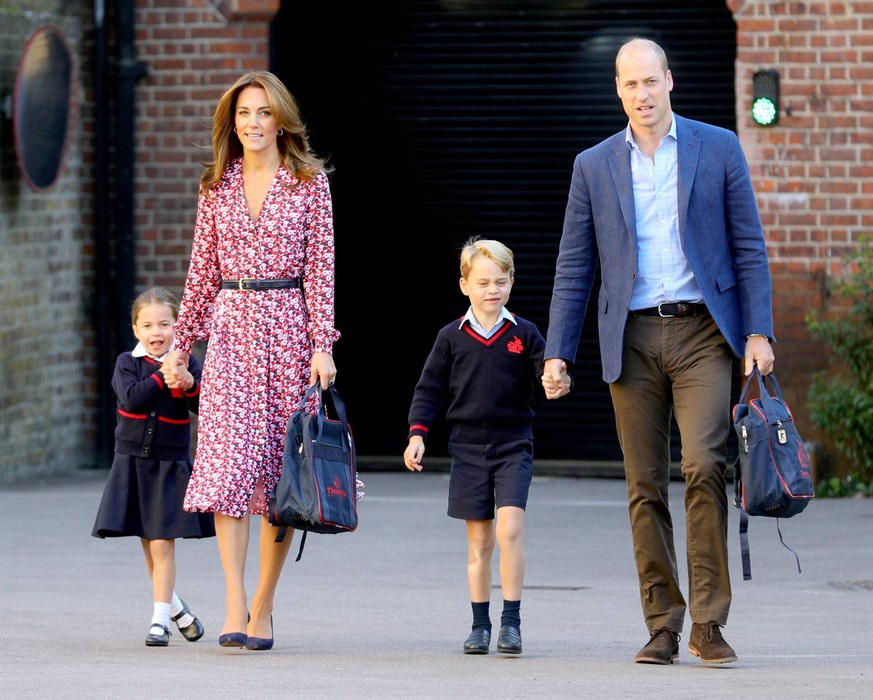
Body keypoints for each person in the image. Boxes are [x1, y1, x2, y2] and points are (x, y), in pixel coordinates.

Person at [542, 37, 776, 665]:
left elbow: (748, 246)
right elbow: (574, 265)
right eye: (629, 85)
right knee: (644, 484)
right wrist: (557, 352)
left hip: (704, 333)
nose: (641, 95)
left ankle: (709, 622)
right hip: (633, 338)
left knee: (703, 466)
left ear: (670, 81)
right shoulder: (592, 166)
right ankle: (663, 622)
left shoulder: (718, 147)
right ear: (617, 90)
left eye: (650, 82)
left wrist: (759, 332)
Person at [164, 71, 340, 652]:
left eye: (264, 113)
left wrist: (322, 344)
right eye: (244, 114)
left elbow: (321, 272)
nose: (253, 123)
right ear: (232, 122)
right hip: (232, 333)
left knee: (279, 478)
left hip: (289, 331)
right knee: (226, 469)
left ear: (281, 119)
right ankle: (234, 602)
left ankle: (264, 601)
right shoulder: (215, 187)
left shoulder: (309, 184)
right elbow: (199, 274)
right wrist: (179, 346)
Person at [404, 237, 545, 656]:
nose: (492, 290)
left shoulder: (525, 334)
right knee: (480, 543)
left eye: (501, 281)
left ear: (512, 282)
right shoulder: (451, 337)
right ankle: (480, 624)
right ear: (464, 284)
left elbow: (547, 374)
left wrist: (557, 380)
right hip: (467, 448)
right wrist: (417, 434)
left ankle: (511, 623)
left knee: (510, 530)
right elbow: (428, 388)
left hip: (513, 444)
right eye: (483, 282)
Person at [92, 287, 215, 647]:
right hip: (132, 461)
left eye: (165, 324)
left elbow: (204, 406)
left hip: (168, 462)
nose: (156, 332)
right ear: (135, 330)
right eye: (147, 325)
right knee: (149, 543)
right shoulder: (126, 363)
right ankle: (178, 609)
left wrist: (190, 383)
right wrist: (164, 376)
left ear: (178, 327)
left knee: (162, 543)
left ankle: (159, 622)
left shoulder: (188, 361)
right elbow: (132, 397)